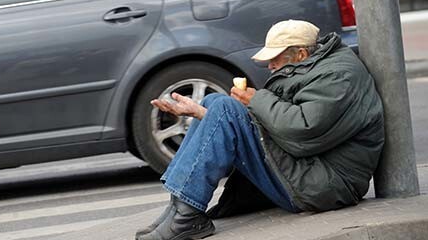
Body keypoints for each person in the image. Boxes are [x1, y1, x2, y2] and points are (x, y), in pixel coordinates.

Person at [135, 19, 385, 240]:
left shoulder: (338, 77)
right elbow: (284, 127)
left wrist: (255, 100)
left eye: (274, 58)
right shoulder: (316, 67)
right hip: (311, 169)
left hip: (326, 185)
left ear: (299, 54)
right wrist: (200, 113)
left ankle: (185, 215)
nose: (269, 65)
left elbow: (302, 132)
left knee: (224, 106)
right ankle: (179, 208)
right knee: (214, 103)